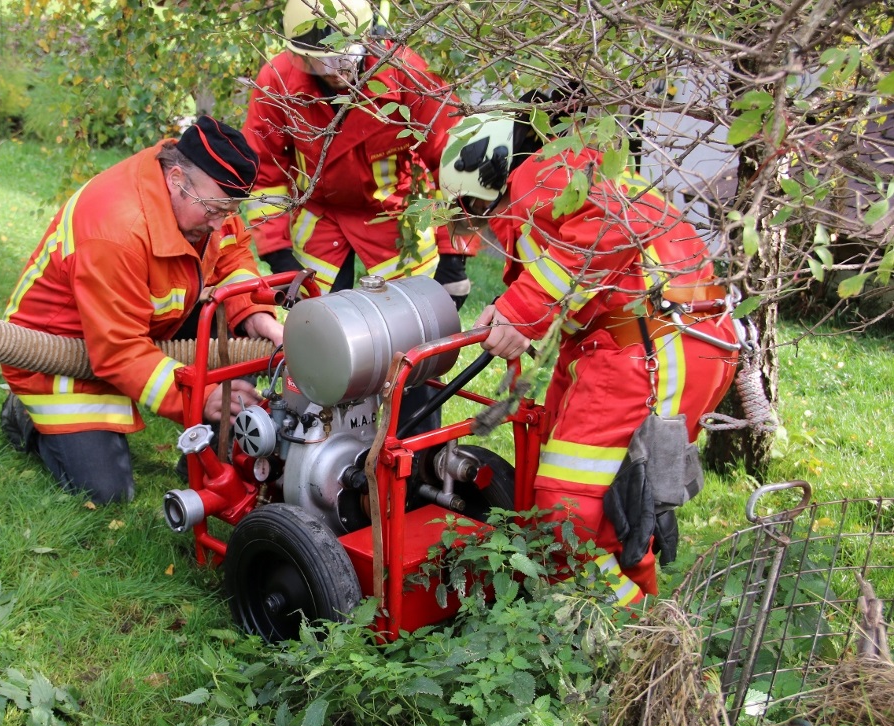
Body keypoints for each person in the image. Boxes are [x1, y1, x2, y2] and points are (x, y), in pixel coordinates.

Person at [439, 95, 739, 604]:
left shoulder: (538, 175)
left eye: (474, 210)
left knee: (574, 507)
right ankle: (572, 621)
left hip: (652, 346)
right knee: (563, 486)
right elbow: (578, 279)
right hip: (631, 343)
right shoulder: (565, 169)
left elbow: (609, 232)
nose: (482, 225)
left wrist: (520, 311)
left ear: (487, 174)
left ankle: (622, 636)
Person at [0, 116, 285, 505]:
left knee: (241, 337)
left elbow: (232, 255)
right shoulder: (116, 229)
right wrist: (199, 397)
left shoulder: (205, 192)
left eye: (230, 210)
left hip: (139, 327)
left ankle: (209, 457)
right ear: (176, 179)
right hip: (61, 354)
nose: (220, 223)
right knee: (106, 493)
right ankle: (23, 416)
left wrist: (254, 315)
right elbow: (118, 349)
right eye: (215, 210)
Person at [241, 0, 476, 307]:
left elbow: (452, 161)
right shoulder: (278, 80)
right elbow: (265, 170)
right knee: (323, 326)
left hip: (395, 215)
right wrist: (277, 252)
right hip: (319, 220)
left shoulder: (406, 73)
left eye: (342, 58)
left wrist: (454, 255)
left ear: (367, 39)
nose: (333, 71)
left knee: (411, 323)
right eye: (319, 62)